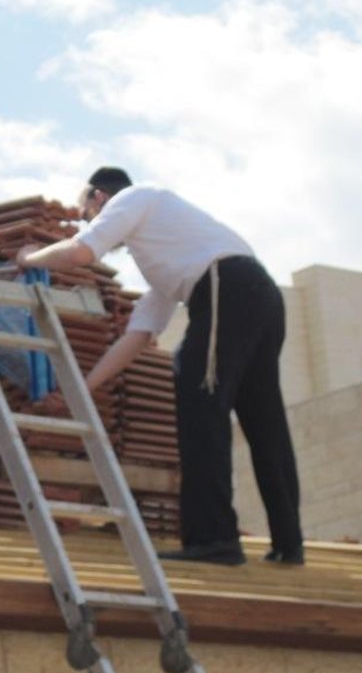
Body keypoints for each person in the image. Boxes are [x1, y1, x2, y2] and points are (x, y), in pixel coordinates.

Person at [17, 167, 304, 566]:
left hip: (227, 288)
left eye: (87, 214)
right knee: (263, 420)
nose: (90, 222)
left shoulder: (133, 199)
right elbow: (137, 336)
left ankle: (214, 539)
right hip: (258, 295)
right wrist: (80, 391)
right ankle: (290, 543)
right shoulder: (166, 250)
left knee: (199, 400)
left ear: (99, 198)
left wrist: (32, 258)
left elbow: (80, 252)